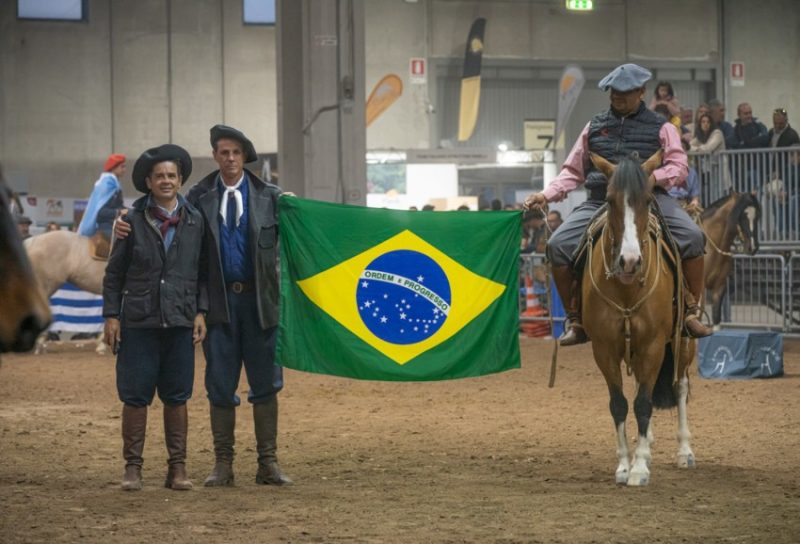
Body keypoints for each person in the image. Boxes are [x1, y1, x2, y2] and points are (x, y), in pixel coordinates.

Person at [116, 125, 292, 487]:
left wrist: (297, 207)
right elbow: (158, 211)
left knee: (266, 383)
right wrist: (121, 221)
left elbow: (303, 236)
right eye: (223, 152)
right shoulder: (197, 197)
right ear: (214, 155)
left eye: (236, 153)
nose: (229, 159)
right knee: (220, 383)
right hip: (218, 305)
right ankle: (223, 464)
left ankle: (268, 463)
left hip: (262, 305)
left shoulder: (271, 198)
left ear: (245, 157)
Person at [523, 63, 712, 346]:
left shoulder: (661, 127)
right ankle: (576, 318)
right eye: (613, 91)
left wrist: (653, 179)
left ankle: (690, 311)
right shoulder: (594, 127)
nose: (617, 97)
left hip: (650, 199)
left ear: (641, 92)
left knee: (694, 237)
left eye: (624, 92)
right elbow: (573, 171)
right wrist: (546, 195)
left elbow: (679, 166)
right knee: (557, 245)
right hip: (602, 200)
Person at [103, 144, 208, 492]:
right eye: (159, 175)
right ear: (148, 181)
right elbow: (114, 274)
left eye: (171, 176)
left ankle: (177, 469)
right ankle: (132, 468)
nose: (166, 180)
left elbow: (202, 273)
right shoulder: (130, 222)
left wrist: (200, 312)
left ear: (180, 181)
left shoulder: (194, 220)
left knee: (177, 397)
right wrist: (111, 316)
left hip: (179, 321)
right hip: (138, 321)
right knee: (134, 396)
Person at [78, 153, 127, 255]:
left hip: (114, 224)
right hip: (106, 226)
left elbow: (118, 205)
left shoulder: (115, 185)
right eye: (122, 166)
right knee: (124, 245)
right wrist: (120, 212)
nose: (124, 169)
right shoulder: (106, 185)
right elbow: (101, 212)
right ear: (114, 167)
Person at [690, 112, 732, 199]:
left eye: (708, 122)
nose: (705, 124)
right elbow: (687, 146)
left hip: (718, 170)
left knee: (718, 196)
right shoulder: (700, 137)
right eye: (703, 122)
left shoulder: (717, 133)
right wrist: (698, 149)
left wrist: (697, 149)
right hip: (707, 172)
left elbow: (707, 149)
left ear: (711, 124)